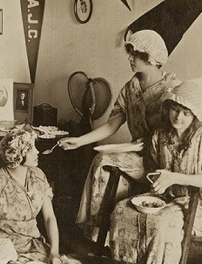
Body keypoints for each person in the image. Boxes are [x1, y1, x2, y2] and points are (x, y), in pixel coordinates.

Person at [58, 30, 181, 238]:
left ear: (151, 58)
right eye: (130, 52)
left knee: (103, 161)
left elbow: (181, 130)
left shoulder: (171, 88)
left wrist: (153, 142)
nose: (130, 58)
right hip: (138, 157)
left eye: (136, 54)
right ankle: (100, 234)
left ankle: (101, 234)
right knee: (101, 161)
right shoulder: (130, 87)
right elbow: (112, 124)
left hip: (163, 161)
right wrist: (79, 141)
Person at [109, 78, 202, 264]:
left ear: (195, 115)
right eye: (175, 109)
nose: (178, 117)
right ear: (168, 107)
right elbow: (154, 169)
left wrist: (173, 177)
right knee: (121, 210)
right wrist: (156, 178)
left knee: (162, 223)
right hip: (165, 199)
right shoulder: (160, 134)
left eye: (186, 113)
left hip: (198, 205)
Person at [0, 128, 85, 264]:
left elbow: (49, 217)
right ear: (18, 154)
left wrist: (53, 252)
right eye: (32, 148)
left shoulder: (38, 176)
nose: (37, 152)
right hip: (6, 249)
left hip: (34, 244)